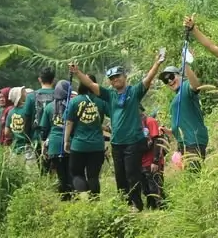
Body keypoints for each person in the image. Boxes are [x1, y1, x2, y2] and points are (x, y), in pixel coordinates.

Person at [69, 50, 163, 212]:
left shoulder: (134, 92)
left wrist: (157, 63)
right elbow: (91, 84)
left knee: (132, 174)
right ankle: (124, 204)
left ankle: (136, 205)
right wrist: (77, 72)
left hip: (133, 141)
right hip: (117, 143)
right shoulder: (109, 94)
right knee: (120, 176)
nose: (115, 80)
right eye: (112, 78)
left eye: (118, 76)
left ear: (124, 77)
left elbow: (147, 80)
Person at [160, 60, 208, 170]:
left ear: (179, 75)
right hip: (183, 143)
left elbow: (196, 85)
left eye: (171, 76)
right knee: (189, 177)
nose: (169, 81)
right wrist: (169, 131)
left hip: (193, 139)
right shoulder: (177, 97)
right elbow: (182, 122)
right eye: (165, 80)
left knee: (193, 175)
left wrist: (186, 66)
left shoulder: (186, 87)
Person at [64, 75, 108, 198]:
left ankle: (83, 195)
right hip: (97, 145)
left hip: (79, 145)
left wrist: (66, 141)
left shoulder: (74, 101)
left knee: (76, 173)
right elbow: (113, 115)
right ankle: (94, 201)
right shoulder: (101, 101)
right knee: (93, 176)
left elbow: (68, 122)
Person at [40, 80, 73, 200]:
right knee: (70, 173)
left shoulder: (49, 107)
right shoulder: (71, 106)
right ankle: (72, 197)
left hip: (54, 145)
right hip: (69, 144)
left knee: (60, 174)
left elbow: (44, 128)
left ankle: (63, 197)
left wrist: (44, 143)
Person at [24, 68, 56, 174]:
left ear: (39, 79)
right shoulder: (60, 95)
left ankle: (44, 186)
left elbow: (27, 118)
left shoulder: (31, 96)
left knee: (42, 167)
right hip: (55, 136)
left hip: (36, 136)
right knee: (55, 168)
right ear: (54, 80)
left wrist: (26, 137)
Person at [140, 107, 166, 210]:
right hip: (140, 162)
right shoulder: (132, 124)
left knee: (156, 188)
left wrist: (155, 161)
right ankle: (152, 210)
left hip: (151, 161)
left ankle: (163, 209)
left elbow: (157, 141)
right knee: (146, 190)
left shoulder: (150, 121)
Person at [6, 86, 33, 162]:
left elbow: (6, 132)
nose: (26, 93)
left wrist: (15, 134)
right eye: (24, 92)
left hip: (15, 147)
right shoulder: (27, 110)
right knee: (30, 171)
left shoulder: (10, 112)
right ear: (19, 96)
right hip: (28, 147)